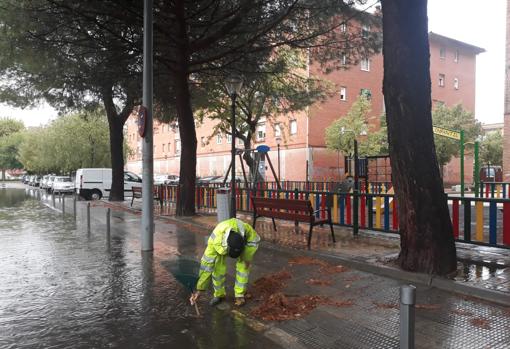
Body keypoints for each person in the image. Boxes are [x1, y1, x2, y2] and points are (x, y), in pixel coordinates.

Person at [190, 218, 260, 307]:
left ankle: (239, 295)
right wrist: (199, 290)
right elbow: (206, 266)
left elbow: (254, 241)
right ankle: (219, 295)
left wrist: (246, 257)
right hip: (220, 246)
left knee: (244, 268)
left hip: (239, 244)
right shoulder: (215, 241)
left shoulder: (247, 230)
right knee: (217, 268)